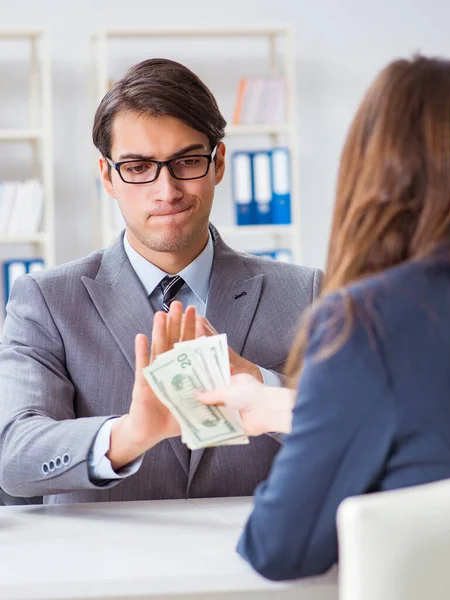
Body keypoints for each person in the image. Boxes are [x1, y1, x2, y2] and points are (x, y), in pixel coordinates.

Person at [196, 55, 450, 580]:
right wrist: (278, 405)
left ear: (374, 171)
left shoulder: (369, 320)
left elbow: (278, 546)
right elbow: (445, 422)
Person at [0, 58, 322, 505]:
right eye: (137, 167)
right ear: (108, 177)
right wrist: (128, 435)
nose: (166, 190)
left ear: (219, 163)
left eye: (187, 161)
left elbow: (362, 435)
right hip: (103, 569)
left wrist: (262, 388)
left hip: (257, 567)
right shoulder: (46, 301)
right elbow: (14, 457)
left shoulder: (305, 294)